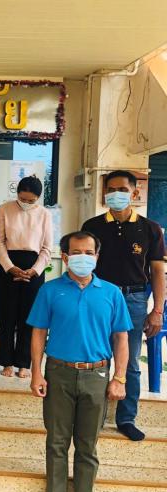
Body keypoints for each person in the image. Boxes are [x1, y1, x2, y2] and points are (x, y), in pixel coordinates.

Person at [28, 231, 130, 492]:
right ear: (64, 256)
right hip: (58, 372)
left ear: (97, 256)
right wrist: (36, 372)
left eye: (88, 252)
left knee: (88, 444)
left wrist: (119, 378)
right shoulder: (50, 291)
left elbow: (121, 339)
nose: (82, 257)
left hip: (96, 375)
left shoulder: (111, 293)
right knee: (57, 440)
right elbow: (38, 333)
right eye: (76, 252)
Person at [81, 170, 165, 442]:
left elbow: (157, 271)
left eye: (122, 189)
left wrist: (157, 310)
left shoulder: (150, 228)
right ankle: (93, 417)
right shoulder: (92, 226)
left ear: (134, 193)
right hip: (98, 299)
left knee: (129, 362)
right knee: (95, 359)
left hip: (134, 300)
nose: (115, 194)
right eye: (111, 189)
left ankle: (126, 418)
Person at [0, 176, 52, 378]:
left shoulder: (44, 214)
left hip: (34, 267)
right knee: (7, 315)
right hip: (8, 264)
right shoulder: (5, 209)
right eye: (22, 199)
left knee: (29, 318)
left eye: (31, 200)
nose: (26, 203)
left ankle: (24, 363)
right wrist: (9, 267)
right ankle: (6, 362)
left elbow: (47, 248)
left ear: (38, 198)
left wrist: (35, 270)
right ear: (16, 194)